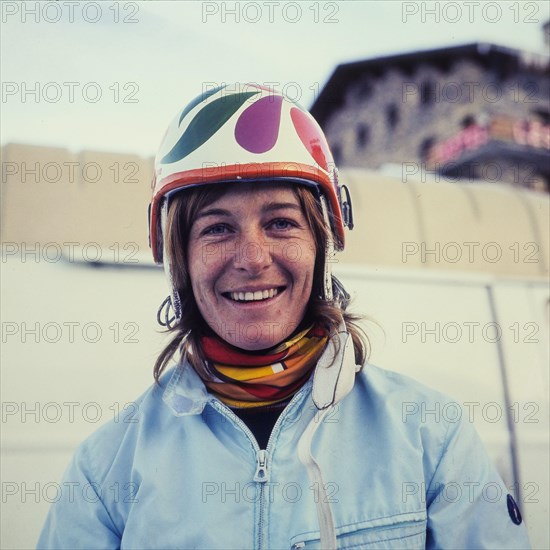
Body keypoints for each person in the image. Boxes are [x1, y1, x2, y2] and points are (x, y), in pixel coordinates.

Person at [38, 83, 531, 549]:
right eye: (216, 228)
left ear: (322, 247)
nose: (252, 258)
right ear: (179, 261)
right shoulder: (106, 471)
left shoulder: (429, 434)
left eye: (280, 222)